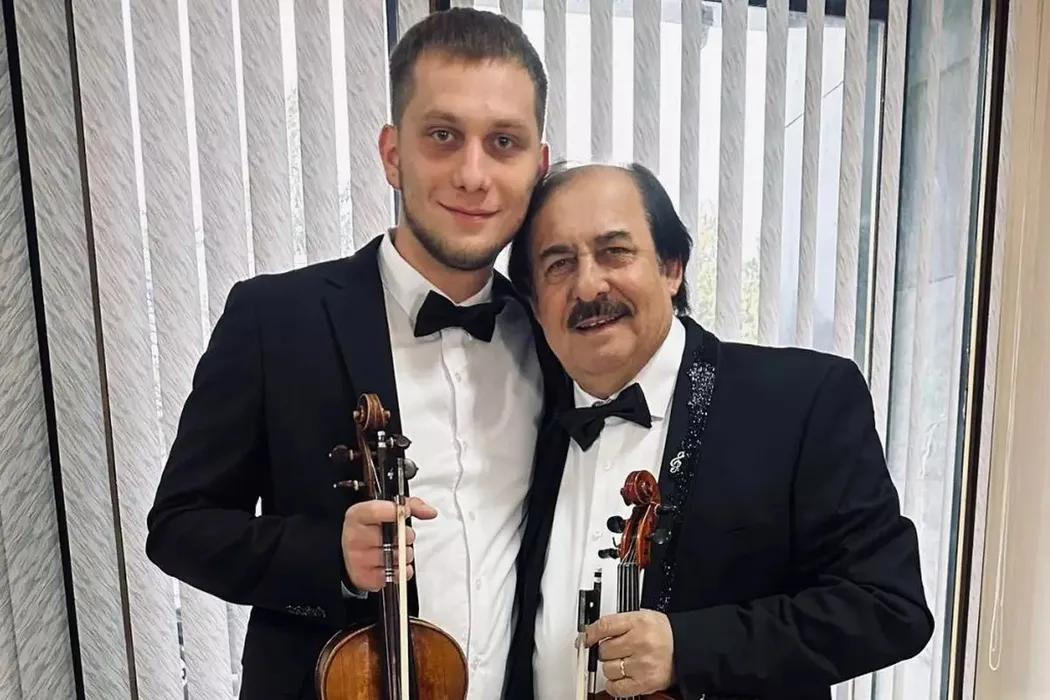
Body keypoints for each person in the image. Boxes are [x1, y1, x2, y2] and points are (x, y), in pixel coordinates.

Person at [145, 9, 559, 700]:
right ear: (393, 153)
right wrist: (328, 555)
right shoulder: (274, 318)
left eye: (504, 142)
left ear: (537, 167)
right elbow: (179, 527)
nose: (473, 174)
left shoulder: (552, 338)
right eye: (443, 135)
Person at [503, 162, 935, 700]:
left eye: (615, 252)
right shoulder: (522, 419)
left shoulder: (802, 399)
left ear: (671, 268)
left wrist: (690, 649)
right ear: (534, 301)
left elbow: (887, 607)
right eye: (559, 264)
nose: (588, 284)